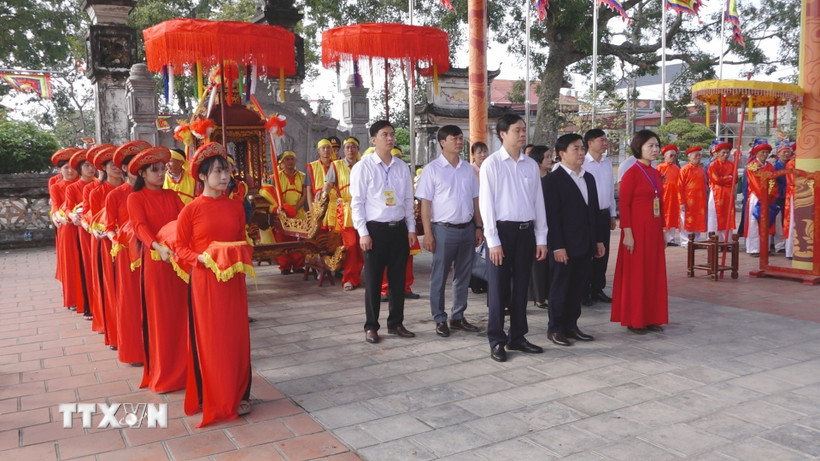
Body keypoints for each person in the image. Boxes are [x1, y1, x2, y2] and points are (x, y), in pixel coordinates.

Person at [176, 142, 254, 426]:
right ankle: (213, 394)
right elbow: (180, 248)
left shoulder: (235, 207)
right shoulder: (191, 210)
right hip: (206, 282)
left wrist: (242, 253)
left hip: (233, 282)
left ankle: (239, 392)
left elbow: (242, 239)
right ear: (202, 176)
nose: (224, 177)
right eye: (218, 172)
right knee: (212, 339)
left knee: (236, 337)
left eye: (227, 171)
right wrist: (200, 258)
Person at [479, 113, 547, 362]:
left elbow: (538, 202)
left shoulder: (530, 165)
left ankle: (517, 336)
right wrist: (493, 241)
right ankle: (497, 340)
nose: (522, 134)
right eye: (517, 130)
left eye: (523, 130)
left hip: (526, 233)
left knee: (521, 287)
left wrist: (541, 237)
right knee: (498, 289)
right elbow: (486, 204)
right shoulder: (492, 164)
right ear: (502, 134)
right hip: (502, 233)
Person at [127, 145, 188, 393]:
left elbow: (185, 220)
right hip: (156, 260)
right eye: (155, 170)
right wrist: (156, 246)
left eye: (163, 169)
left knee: (182, 314)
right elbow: (139, 227)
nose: (161, 173)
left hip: (178, 261)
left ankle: (186, 370)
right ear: (142, 174)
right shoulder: (135, 198)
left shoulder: (172, 196)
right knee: (161, 317)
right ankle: (165, 374)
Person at [350, 120, 417, 344]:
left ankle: (396, 323)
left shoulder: (401, 167)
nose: (390, 138)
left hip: (398, 229)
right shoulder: (363, 167)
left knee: (398, 280)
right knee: (373, 281)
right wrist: (363, 232)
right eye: (384, 134)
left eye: (392, 134)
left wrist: (411, 228)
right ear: (373, 139)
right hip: (375, 231)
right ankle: (371, 326)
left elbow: (408, 200)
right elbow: (357, 203)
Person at [416, 125, 483, 337]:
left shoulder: (467, 169)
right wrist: (428, 233)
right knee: (439, 276)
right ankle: (439, 318)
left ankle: (458, 316)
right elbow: (425, 204)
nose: (459, 142)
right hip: (443, 230)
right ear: (442, 142)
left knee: (463, 276)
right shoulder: (432, 169)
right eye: (455, 138)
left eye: (461, 138)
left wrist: (478, 226)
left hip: (467, 229)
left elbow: (475, 200)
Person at [543, 134, 607, 346]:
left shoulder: (588, 178)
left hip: (585, 244)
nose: (581, 153)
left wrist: (598, 240)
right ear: (561, 153)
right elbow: (552, 218)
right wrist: (557, 246)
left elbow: (594, 213)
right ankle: (555, 328)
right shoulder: (552, 180)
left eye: (582, 149)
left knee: (578, 287)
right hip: (564, 245)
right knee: (561, 287)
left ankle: (571, 325)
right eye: (575, 149)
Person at [611, 130, 668, 334]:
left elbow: (660, 204)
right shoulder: (631, 173)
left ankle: (651, 317)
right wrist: (627, 233)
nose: (655, 149)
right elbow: (624, 206)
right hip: (636, 230)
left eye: (656, 145)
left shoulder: (655, 173)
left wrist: (663, 229)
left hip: (653, 230)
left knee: (652, 273)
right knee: (636, 275)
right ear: (639, 147)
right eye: (650, 145)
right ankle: (634, 319)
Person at [105, 140, 151, 366]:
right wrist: (122, 241)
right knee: (131, 301)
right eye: (133, 165)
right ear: (125, 168)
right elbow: (109, 228)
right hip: (128, 255)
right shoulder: (115, 195)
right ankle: (134, 351)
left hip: (152, 253)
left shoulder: (154, 192)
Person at [88, 145, 123, 349]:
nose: (116, 168)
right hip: (106, 242)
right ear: (104, 168)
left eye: (119, 165)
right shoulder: (97, 192)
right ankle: (114, 331)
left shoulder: (131, 189)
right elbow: (94, 219)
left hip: (128, 243)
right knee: (111, 288)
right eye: (112, 165)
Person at [379, 147, 421, 301]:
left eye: (398, 157)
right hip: (384, 223)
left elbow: (409, 200)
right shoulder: (378, 174)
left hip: (403, 222)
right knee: (384, 260)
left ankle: (406, 287)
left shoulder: (403, 172)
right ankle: (384, 289)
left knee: (407, 258)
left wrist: (411, 226)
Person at [323, 137, 364, 291]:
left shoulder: (363, 165)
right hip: (347, 210)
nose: (350, 150)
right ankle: (349, 279)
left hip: (364, 208)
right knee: (351, 245)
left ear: (358, 149)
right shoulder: (336, 165)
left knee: (362, 245)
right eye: (347, 147)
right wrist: (323, 194)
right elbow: (328, 184)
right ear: (343, 150)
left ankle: (357, 276)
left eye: (353, 147)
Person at [581, 128, 616, 307]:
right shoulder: (583, 163)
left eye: (605, 140)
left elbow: (610, 191)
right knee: (588, 252)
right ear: (590, 143)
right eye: (601, 140)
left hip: (603, 214)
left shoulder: (607, 163)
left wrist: (612, 214)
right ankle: (584, 290)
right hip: (588, 215)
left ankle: (597, 288)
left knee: (603, 253)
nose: (605, 143)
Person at [63, 149, 97, 318]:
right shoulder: (73, 188)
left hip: (98, 227)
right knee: (86, 266)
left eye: (92, 165)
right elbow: (68, 207)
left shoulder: (98, 184)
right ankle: (88, 305)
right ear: (80, 169)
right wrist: (72, 216)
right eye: (86, 166)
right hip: (83, 230)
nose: (91, 169)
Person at [49, 147, 81, 311]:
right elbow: (55, 205)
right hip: (67, 227)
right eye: (66, 168)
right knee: (70, 262)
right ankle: (72, 298)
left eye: (73, 167)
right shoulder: (56, 186)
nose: (70, 171)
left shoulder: (85, 183)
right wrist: (58, 216)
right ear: (59, 170)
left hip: (83, 225)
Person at [528, 145, 553, 309]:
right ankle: (538, 297)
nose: (550, 160)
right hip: (535, 225)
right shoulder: (532, 179)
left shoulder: (553, 178)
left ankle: (548, 293)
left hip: (551, 224)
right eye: (547, 157)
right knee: (538, 262)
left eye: (551, 156)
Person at [273, 151, 307, 274]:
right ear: (282, 162)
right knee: (283, 239)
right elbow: (275, 195)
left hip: (299, 211)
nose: (290, 162)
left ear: (296, 161)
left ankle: (299, 265)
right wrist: (285, 209)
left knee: (299, 239)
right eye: (287, 159)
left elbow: (305, 195)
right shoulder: (277, 177)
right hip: (283, 213)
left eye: (292, 159)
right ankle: (285, 266)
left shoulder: (303, 176)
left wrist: (295, 209)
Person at [744, 140, 777, 256]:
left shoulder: (770, 166)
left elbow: (773, 181)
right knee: (754, 221)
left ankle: (765, 248)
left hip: (768, 197)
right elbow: (754, 183)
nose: (765, 154)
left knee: (767, 221)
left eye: (767, 152)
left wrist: (770, 194)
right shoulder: (751, 166)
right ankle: (754, 248)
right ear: (756, 153)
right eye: (762, 152)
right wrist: (763, 196)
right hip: (756, 196)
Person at [678, 146, 708, 248]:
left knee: (698, 220)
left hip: (699, 200)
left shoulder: (701, 169)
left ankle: (697, 240)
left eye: (699, 155)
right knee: (686, 221)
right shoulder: (684, 170)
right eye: (696, 155)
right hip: (688, 200)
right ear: (689, 157)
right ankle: (686, 241)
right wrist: (682, 202)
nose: (698, 157)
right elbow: (680, 187)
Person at [707, 142, 736, 242]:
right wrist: (728, 178)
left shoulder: (732, 165)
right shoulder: (713, 165)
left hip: (728, 194)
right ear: (718, 153)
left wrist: (725, 179)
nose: (726, 155)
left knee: (728, 216)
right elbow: (716, 180)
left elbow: (735, 179)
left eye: (727, 152)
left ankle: (726, 240)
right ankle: (714, 240)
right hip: (716, 193)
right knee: (715, 216)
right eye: (723, 152)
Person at [306, 139, 337, 231]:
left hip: (335, 204)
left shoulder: (337, 165)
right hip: (318, 204)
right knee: (320, 232)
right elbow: (308, 190)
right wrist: (311, 210)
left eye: (328, 148)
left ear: (331, 150)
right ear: (318, 151)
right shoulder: (311, 166)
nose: (326, 150)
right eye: (323, 148)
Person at [657, 144, 681, 246]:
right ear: (665, 156)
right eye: (671, 155)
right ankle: (662, 238)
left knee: (673, 217)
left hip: (674, 196)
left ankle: (671, 239)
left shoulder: (677, 168)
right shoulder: (660, 167)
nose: (673, 157)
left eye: (675, 155)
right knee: (663, 216)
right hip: (664, 196)